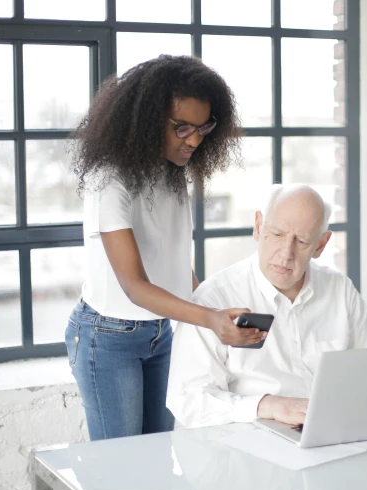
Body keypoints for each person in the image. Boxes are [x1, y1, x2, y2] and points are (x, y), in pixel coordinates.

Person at [65, 55, 266, 441]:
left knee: (156, 459)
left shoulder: (171, 172)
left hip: (161, 334)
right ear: (145, 121)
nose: (193, 140)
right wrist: (209, 317)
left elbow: (174, 264)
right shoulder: (108, 181)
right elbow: (134, 286)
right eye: (181, 127)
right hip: (108, 339)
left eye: (203, 127)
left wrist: (220, 311)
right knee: (123, 470)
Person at [166, 184, 367, 429]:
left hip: (329, 436)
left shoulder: (340, 290)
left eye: (302, 241)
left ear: (321, 245)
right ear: (259, 227)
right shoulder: (213, 299)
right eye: (278, 234)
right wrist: (269, 406)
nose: (286, 253)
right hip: (246, 443)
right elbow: (188, 400)